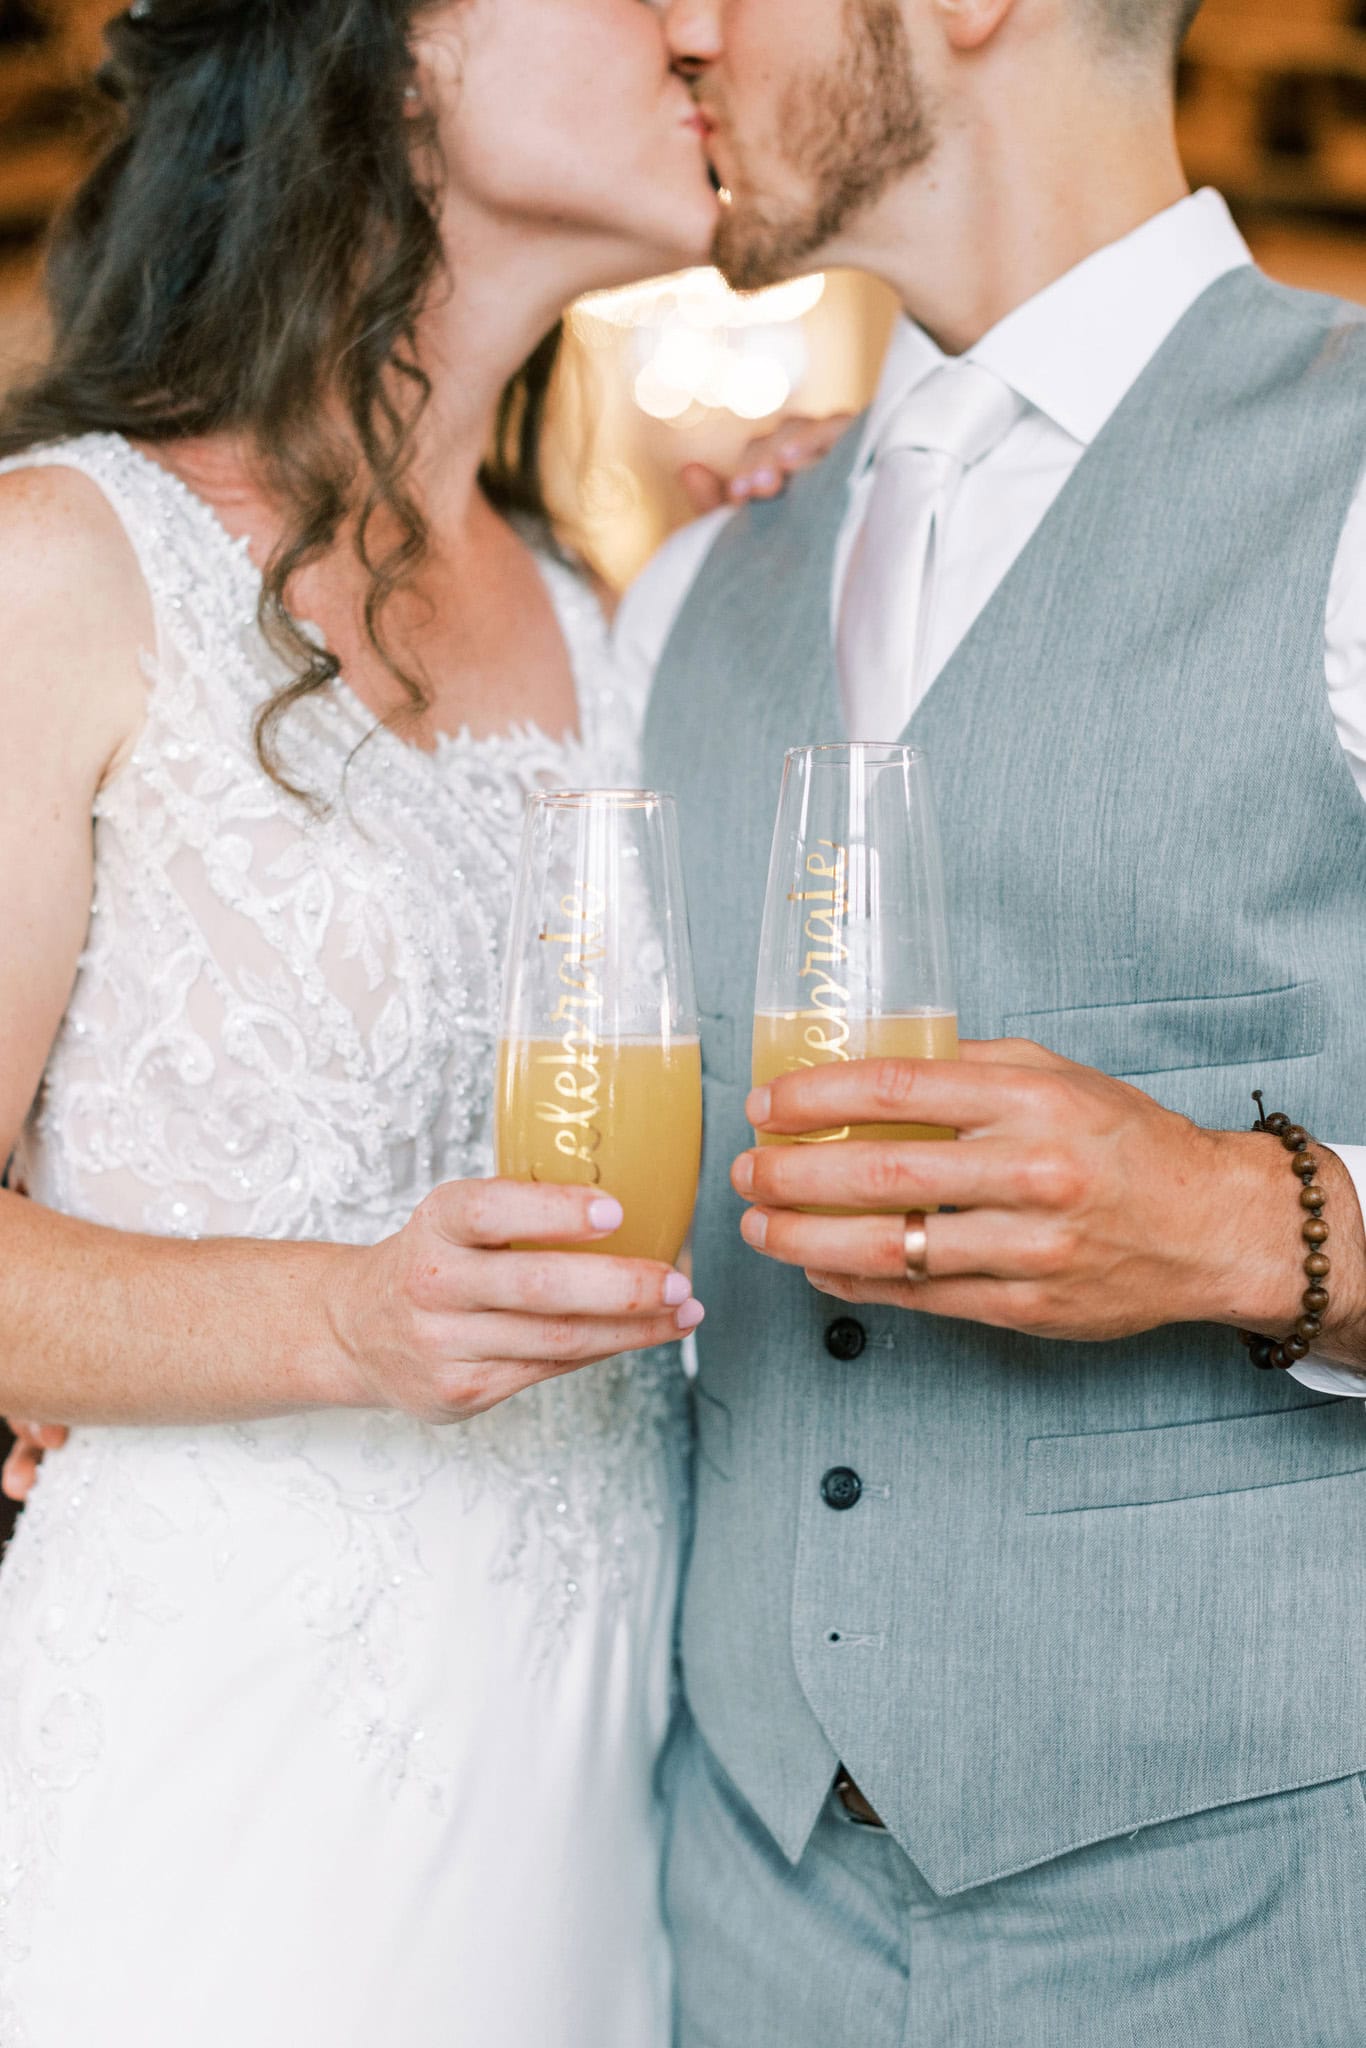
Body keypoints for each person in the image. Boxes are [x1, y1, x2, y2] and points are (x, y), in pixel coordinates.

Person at [617, 0, 1366, 2038]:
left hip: (1254, 1909)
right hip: (737, 1895)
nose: (677, 30)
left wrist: (1236, 1219)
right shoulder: (691, 583)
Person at [0, 2, 716, 2043]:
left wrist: (802, 528)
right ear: (389, 48)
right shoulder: (63, 571)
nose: (695, 22)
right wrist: (338, 1319)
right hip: (227, 1764)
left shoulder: (614, 611)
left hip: (593, 1772)